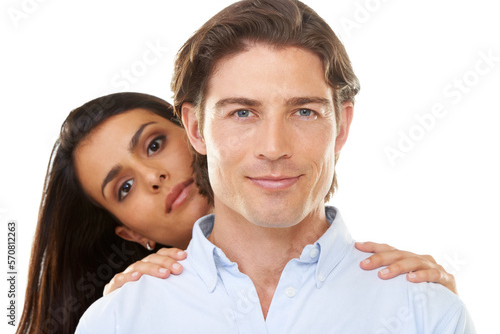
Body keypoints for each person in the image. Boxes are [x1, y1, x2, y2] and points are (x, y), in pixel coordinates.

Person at [75, 0, 475, 333]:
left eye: (303, 112)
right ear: (195, 129)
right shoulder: (118, 320)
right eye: (243, 113)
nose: (273, 148)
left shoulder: (428, 313)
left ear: (342, 125)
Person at [17, 92, 455, 334]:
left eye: (154, 145)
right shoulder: (123, 314)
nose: (153, 176)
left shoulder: (399, 291)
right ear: (132, 235)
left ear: (197, 131)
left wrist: (429, 306)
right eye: (125, 187)